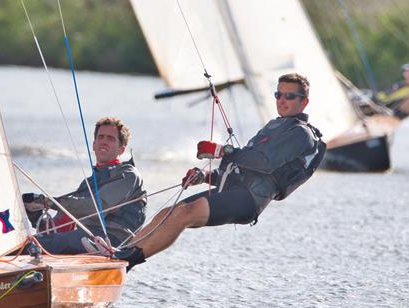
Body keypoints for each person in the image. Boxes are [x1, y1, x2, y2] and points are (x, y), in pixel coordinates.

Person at [115, 73, 326, 271]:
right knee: (168, 212)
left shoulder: (301, 134)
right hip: (232, 189)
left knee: (184, 214)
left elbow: (263, 164)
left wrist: (221, 151)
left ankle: (126, 262)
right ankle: (119, 253)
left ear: (304, 102)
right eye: (278, 94)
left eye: (289, 96)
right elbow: (240, 168)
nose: (282, 100)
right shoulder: (274, 126)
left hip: (250, 200)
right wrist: (205, 176)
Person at [22, 117, 146, 255]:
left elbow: (98, 205)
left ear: (121, 149)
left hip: (114, 242)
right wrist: (34, 212)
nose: (104, 141)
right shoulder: (88, 183)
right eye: (101, 137)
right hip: (85, 239)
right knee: (35, 242)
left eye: (111, 139)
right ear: (93, 144)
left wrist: (49, 202)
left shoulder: (128, 175)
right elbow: (58, 228)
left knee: (31, 246)